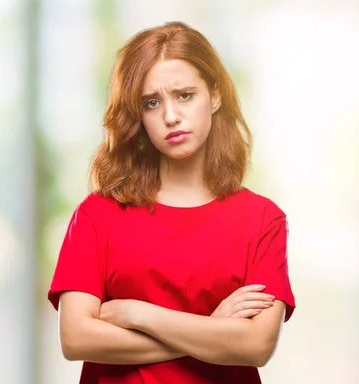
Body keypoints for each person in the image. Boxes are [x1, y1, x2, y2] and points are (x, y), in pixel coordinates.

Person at [47, 21, 296, 384]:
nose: (170, 116)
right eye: (152, 102)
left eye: (184, 95)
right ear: (139, 116)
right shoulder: (97, 214)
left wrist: (138, 314)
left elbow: (256, 345)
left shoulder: (262, 220)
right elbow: (76, 338)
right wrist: (213, 330)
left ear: (214, 96)